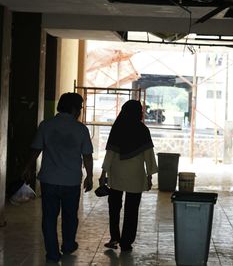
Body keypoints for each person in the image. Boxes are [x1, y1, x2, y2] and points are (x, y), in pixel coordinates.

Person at [22, 92, 93, 263]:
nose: (81, 111)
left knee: (49, 217)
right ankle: (68, 245)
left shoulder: (46, 125)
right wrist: (89, 176)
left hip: (49, 180)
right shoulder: (81, 129)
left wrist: (27, 167)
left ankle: (52, 253)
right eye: (81, 108)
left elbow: (36, 149)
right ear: (75, 109)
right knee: (70, 216)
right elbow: (87, 156)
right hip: (71, 181)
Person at [99, 99, 158, 252]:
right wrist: (150, 176)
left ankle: (114, 238)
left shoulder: (117, 128)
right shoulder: (143, 130)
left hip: (117, 176)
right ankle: (126, 243)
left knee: (114, 207)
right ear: (139, 113)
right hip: (136, 177)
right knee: (132, 210)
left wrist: (103, 174)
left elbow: (110, 154)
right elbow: (149, 155)